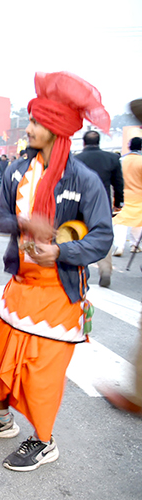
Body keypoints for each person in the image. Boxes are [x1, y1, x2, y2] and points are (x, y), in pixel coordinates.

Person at [0, 71, 112, 472]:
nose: (27, 128)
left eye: (35, 122)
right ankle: (1, 419)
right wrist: (27, 223)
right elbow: (0, 220)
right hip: (20, 287)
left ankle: (43, 441)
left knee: (42, 378)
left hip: (61, 294)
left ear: (57, 129)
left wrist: (61, 251)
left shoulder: (84, 180)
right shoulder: (15, 172)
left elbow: (102, 238)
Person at [99, 101, 142, 416]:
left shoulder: (123, 160)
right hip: (131, 205)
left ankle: (138, 396)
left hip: (122, 208)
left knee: (116, 238)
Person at [75, 130, 123, 287]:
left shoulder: (76, 160)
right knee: (102, 235)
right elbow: (118, 183)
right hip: (102, 204)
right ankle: (105, 270)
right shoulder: (112, 158)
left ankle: (79, 270)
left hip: (79, 203)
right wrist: (118, 202)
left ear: (83, 143)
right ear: (99, 142)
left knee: (79, 237)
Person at [111, 137, 142, 256]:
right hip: (139, 196)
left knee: (120, 222)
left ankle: (119, 246)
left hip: (122, 195)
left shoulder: (121, 160)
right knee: (138, 222)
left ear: (129, 146)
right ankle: (135, 245)